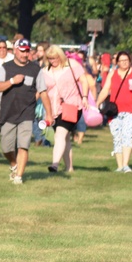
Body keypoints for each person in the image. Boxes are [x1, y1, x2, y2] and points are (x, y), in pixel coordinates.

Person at [0, 39, 51, 185]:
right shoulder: (6, 67)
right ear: (15, 50)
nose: (24, 54)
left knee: (23, 145)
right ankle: (14, 164)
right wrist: (12, 81)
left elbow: (43, 92)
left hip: (27, 112)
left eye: (27, 51)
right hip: (8, 112)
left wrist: (49, 114)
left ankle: (18, 176)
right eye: (22, 50)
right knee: (6, 147)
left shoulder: (35, 69)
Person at [96, 51, 132, 173]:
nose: (124, 63)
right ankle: (119, 166)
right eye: (121, 61)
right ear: (117, 62)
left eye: (126, 60)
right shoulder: (112, 73)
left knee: (127, 134)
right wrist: (97, 103)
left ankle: (126, 165)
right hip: (114, 111)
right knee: (117, 137)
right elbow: (105, 90)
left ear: (130, 61)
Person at [44, 45, 89, 173]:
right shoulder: (45, 70)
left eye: (55, 58)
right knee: (65, 138)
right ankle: (69, 168)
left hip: (71, 106)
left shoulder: (72, 65)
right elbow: (41, 90)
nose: (53, 61)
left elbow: (84, 81)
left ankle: (55, 164)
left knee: (60, 134)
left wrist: (85, 97)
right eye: (50, 58)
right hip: (53, 109)